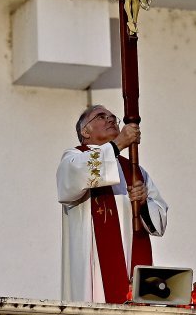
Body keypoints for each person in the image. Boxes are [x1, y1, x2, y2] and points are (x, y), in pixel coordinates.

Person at [56, 105, 168, 303]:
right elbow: (73, 179)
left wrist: (143, 203)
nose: (109, 119)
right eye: (100, 116)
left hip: (131, 260)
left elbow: (159, 223)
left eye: (112, 117)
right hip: (93, 265)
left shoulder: (135, 170)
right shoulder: (74, 157)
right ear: (85, 131)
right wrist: (119, 144)